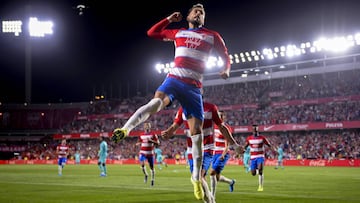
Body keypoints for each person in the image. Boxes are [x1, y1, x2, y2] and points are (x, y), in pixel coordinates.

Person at [111, 3, 232, 200]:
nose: (199, 13)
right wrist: (168, 19)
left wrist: (226, 69)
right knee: (155, 103)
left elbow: (225, 54)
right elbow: (152, 33)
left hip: (193, 88)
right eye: (196, 11)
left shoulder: (212, 35)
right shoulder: (179, 33)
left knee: (196, 133)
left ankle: (195, 178)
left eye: (202, 12)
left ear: (204, 19)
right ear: (188, 16)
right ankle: (125, 129)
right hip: (174, 79)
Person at [162, 101, 240, 203]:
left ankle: (211, 200)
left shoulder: (210, 107)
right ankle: (210, 199)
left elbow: (222, 127)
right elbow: (174, 126)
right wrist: (168, 132)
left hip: (207, 148)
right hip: (192, 150)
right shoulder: (182, 110)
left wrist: (234, 145)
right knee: (198, 178)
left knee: (200, 175)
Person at [209, 110, 236, 201]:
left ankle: (212, 198)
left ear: (224, 117)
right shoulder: (214, 127)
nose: (219, 117)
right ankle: (231, 182)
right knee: (216, 177)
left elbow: (227, 145)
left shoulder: (226, 128)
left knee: (212, 173)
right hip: (214, 153)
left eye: (221, 116)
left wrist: (223, 154)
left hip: (222, 153)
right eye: (218, 116)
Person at [244, 124, 276, 192]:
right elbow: (245, 147)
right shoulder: (249, 138)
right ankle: (258, 171)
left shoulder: (262, 138)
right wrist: (240, 151)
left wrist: (274, 150)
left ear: (258, 129)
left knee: (260, 169)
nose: (255, 130)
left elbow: (269, 145)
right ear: (252, 130)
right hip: (253, 157)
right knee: (253, 173)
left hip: (260, 156)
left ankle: (260, 186)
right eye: (254, 129)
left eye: (256, 128)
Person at [136, 122, 160, 187]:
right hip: (142, 152)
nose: (147, 126)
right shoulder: (141, 134)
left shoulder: (153, 134)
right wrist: (137, 144)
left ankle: (152, 179)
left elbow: (158, 143)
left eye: (148, 125)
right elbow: (139, 141)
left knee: (151, 168)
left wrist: (151, 141)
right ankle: (146, 175)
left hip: (150, 153)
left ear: (150, 126)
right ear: (144, 127)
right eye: (146, 125)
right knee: (142, 164)